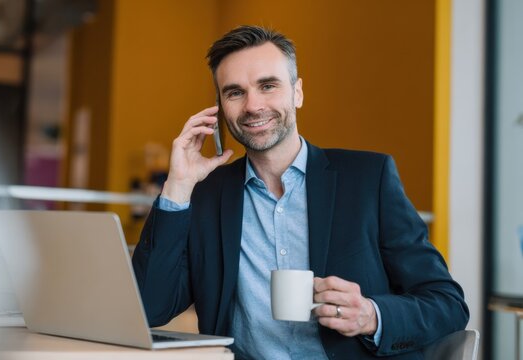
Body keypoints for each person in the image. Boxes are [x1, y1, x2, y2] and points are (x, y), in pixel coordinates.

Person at [132, 25, 469, 359]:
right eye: (235, 92)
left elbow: (446, 303)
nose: (253, 106)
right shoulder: (207, 194)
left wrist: (370, 315)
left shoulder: (368, 179)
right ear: (220, 105)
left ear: (297, 92)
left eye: (268, 86)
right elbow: (148, 309)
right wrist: (177, 187)